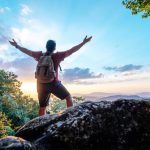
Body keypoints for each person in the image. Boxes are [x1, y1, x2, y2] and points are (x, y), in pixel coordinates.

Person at [9, 36, 92, 116]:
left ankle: (40, 126)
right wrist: (83, 42)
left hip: (40, 85)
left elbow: (27, 51)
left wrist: (16, 45)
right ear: (54, 48)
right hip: (54, 83)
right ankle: (70, 117)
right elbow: (71, 51)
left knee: (42, 107)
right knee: (68, 97)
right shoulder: (57, 56)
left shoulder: (39, 55)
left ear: (46, 47)